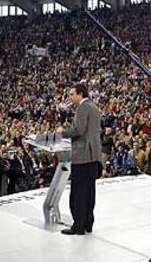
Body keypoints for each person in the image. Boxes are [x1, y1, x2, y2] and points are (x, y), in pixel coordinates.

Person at [57, 84, 101, 235]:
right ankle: (88, 223)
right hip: (93, 155)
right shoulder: (94, 107)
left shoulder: (82, 107)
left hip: (82, 156)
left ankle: (78, 226)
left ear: (80, 94)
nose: (70, 97)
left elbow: (79, 131)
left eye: (72, 94)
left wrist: (63, 132)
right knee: (90, 191)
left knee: (78, 192)